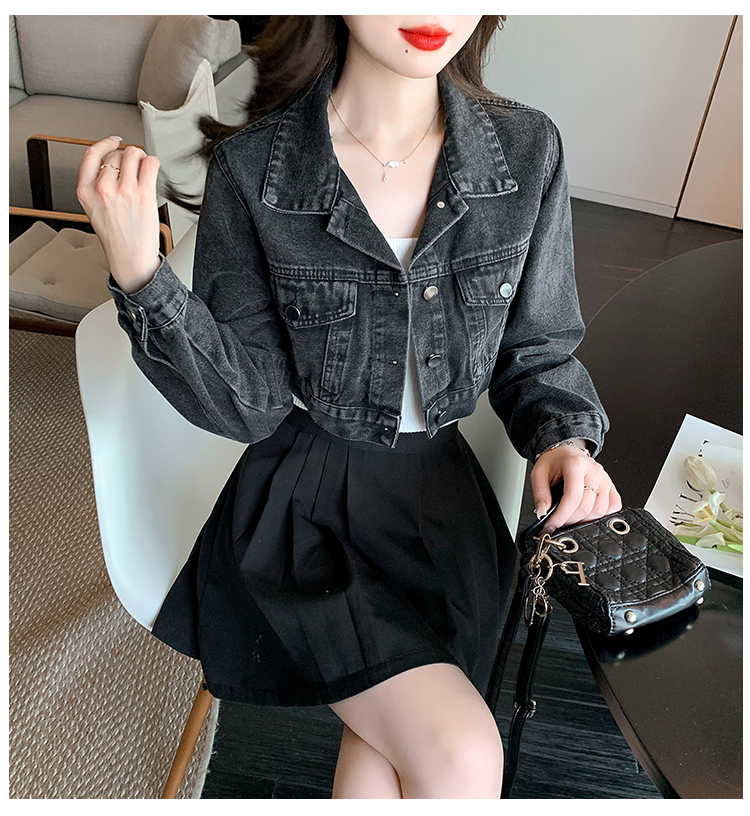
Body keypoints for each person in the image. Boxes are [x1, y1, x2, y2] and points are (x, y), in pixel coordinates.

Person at [77, 15, 621, 799]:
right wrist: (142, 276)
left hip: (445, 510)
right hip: (306, 512)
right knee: (462, 754)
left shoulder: (526, 151)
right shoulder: (255, 167)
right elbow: (252, 406)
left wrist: (563, 440)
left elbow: (536, 349)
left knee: (396, 752)